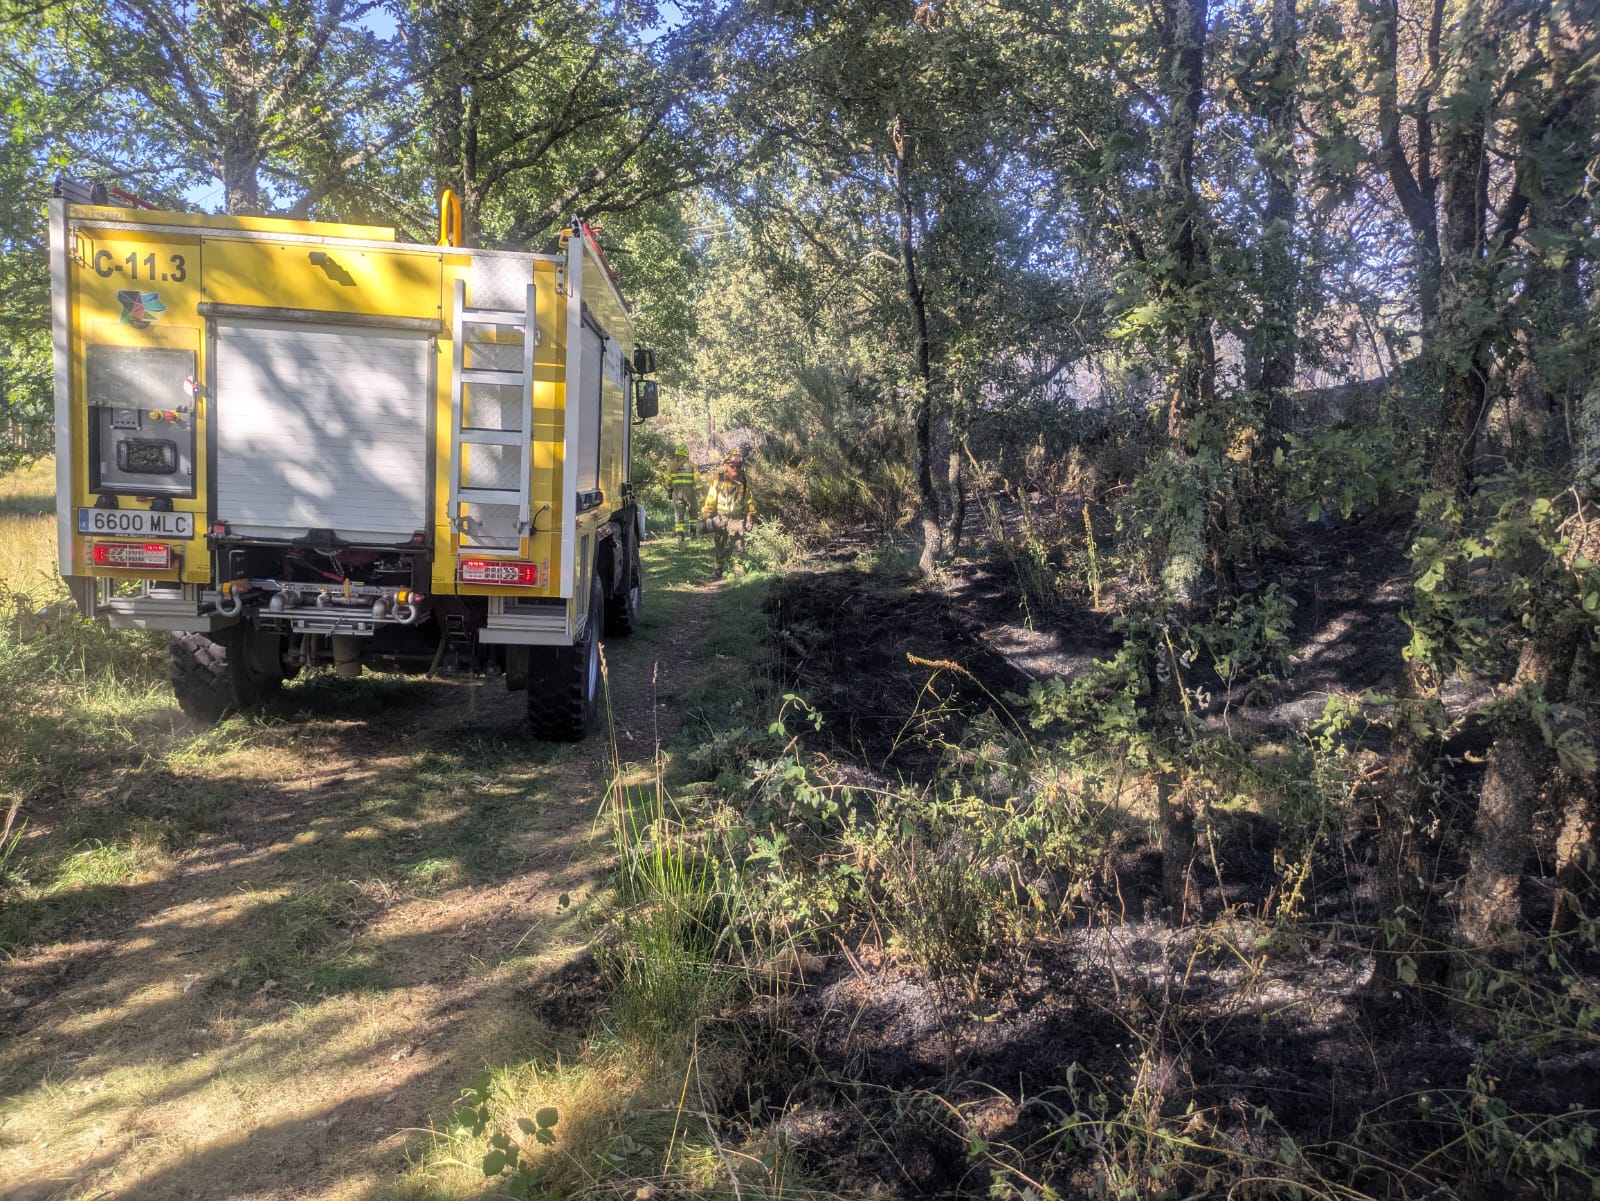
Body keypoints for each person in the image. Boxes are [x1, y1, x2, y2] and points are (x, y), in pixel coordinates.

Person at [699, 450, 756, 579]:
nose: (735, 468)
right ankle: (718, 571)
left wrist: (749, 517)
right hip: (720, 518)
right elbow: (711, 498)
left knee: (738, 546)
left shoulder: (744, 482)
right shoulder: (718, 480)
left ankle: (739, 573)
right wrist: (706, 514)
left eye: (738, 466)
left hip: (737, 519)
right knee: (719, 545)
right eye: (732, 465)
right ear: (726, 465)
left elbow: (749, 500)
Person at [668, 445, 699, 542]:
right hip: (689, 491)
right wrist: (699, 491)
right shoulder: (691, 465)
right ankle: (693, 533)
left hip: (676, 492)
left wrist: (669, 490)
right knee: (693, 513)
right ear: (686, 454)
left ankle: (680, 536)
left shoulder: (671, 465)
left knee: (679, 515)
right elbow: (697, 480)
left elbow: (667, 480)